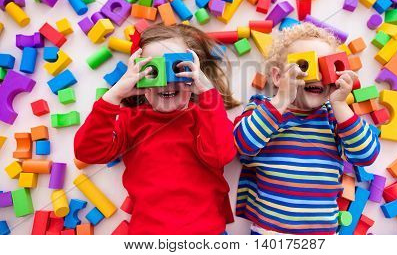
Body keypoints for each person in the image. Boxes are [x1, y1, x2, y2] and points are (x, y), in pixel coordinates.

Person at [74, 24, 239, 234]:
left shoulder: (205, 116)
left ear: (193, 75)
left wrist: (207, 92)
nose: (168, 81)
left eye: (178, 69)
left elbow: (221, 155)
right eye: (154, 71)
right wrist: (114, 96)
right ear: (140, 77)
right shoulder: (131, 120)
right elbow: (87, 151)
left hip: (207, 233)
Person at [234, 22, 380, 235]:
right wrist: (281, 99)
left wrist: (340, 104)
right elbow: (242, 145)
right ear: (277, 77)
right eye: (305, 66)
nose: (316, 76)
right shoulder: (262, 108)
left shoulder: (334, 116)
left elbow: (366, 156)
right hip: (269, 232)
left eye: (325, 68)